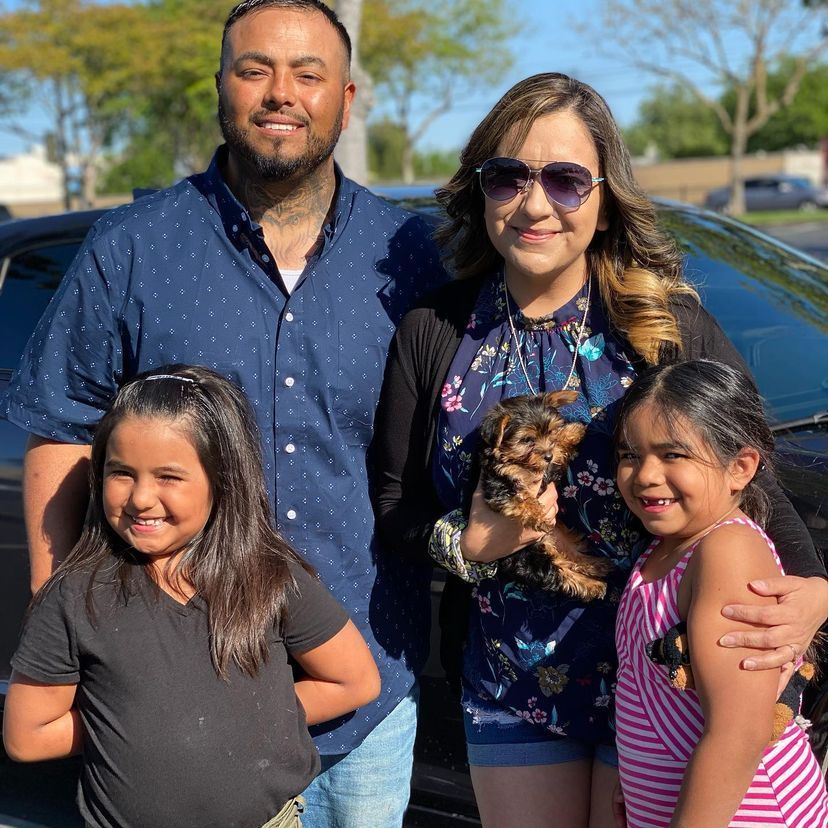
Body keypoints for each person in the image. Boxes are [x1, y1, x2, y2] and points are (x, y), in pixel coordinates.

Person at [1, 1, 444, 825]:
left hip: (363, 698)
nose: (282, 93)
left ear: (346, 100)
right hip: (172, 706)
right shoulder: (132, 248)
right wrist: (65, 635)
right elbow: (62, 429)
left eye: (308, 74)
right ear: (221, 90)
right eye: (255, 69)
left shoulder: (410, 256)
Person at [371, 72, 828, 828]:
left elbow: (752, 479)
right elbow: (394, 506)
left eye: (566, 179)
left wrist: (816, 593)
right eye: (508, 176)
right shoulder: (435, 331)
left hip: (664, 684)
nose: (535, 203)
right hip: (511, 683)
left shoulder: (664, 323)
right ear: (480, 190)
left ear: (607, 194)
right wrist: (468, 541)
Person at [3, 365, 381, 828]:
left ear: (222, 480)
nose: (141, 497)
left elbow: (355, 681)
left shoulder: (269, 577)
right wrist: (129, 726)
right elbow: (28, 735)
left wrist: (240, 718)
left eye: (168, 476)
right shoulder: (75, 595)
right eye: (121, 472)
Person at [613, 359, 828, 827]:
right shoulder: (663, 548)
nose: (645, 474)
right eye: (631, 454)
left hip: (752, 814)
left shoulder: (727, 550)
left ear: (740, 467)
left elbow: (739, 733)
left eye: (673, 455)